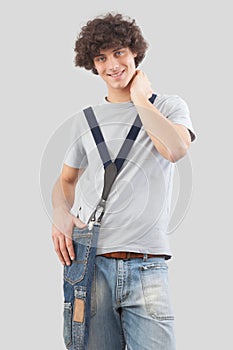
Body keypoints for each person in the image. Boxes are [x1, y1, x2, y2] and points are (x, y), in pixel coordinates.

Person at [52, 12, 196, 350]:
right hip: (92, 264)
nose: (112, 65)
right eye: (101, 58)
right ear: (93, 65)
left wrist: (141, 99)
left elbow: (174, 149)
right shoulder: (85, 120)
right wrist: (60, 213)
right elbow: (66, 180)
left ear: (135, 52)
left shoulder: (169, 106)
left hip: (149, 266)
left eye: (118, 53)